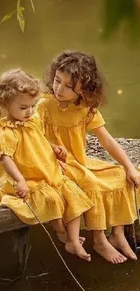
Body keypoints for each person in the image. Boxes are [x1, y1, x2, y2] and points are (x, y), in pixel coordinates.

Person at [36, 50, 140, 264]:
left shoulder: (86, 109)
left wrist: (129, 166)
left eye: (68, 86)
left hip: (79, 162)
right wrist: (52, 147)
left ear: (84, 90)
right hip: (54, 163)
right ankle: (99, 239)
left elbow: (107, 141)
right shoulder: (44, 106)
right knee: (91, 183)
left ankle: (117, 234)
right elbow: (32, 135)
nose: (59, 88)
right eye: (57, 81)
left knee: (120, 175)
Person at [0, 68, 94, 261]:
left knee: (73, 193)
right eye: (23, 107)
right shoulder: (6, 131)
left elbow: (39, 140)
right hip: (28, 178)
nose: (29, 111)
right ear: (5, 104)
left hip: (47, 171)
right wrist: (19, 180)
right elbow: (6, 157)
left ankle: (74, 240)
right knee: (51, 199)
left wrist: (54, 148)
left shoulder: (32, 121)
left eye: (33, 106)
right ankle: (62, 233)